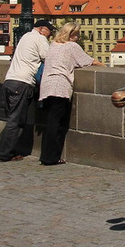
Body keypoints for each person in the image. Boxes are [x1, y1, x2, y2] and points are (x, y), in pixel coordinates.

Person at [0, 19, 55, 162]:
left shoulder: (25, 37)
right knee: (17, 121)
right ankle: (3, 153)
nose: (50, 35)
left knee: (13, 119)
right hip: (22, 83)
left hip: (9, 81)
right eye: (50, 32)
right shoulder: (40, 39)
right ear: (42, 29)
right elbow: (49, 58)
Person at [37, 22, 103, 165]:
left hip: (47, 86)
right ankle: (50, 158)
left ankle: (46, 156)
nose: (78, 38)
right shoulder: (71, 46)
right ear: (71, 35)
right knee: (57, 124)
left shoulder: (54, 45)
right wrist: (105, 67)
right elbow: (88, 61)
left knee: (51, 122)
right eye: (77, 35)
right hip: (60, 86)